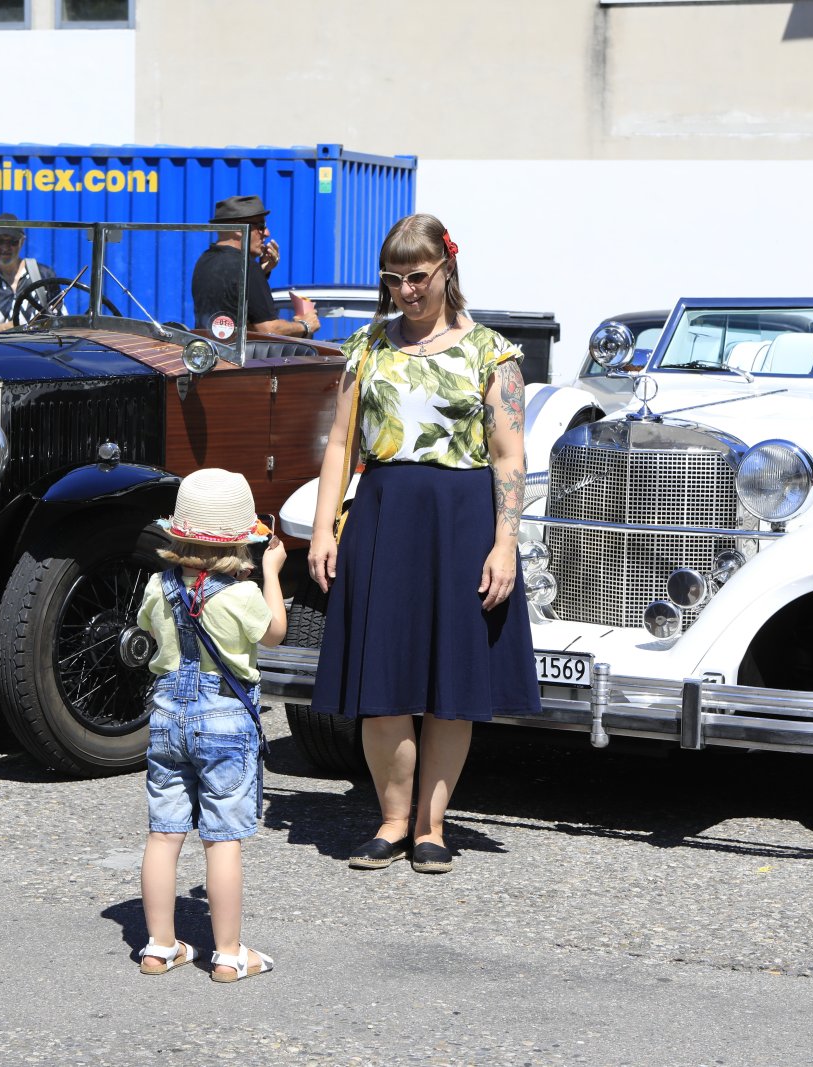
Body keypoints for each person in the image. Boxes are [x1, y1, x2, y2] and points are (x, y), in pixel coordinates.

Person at [306, 213, 541, 875]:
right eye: (393, 279)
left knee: (449, 683)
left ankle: (431, 827)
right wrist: (323, 528)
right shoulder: (368, 345)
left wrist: (505, 543)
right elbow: (339, 443)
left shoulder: (492, 352)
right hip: (383, 516)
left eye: (418, 276)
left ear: (446, 269)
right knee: (380, 680)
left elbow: (509, 456)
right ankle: (390, 821)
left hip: (462, 522)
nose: (406, 291)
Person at [135, 468, 287, 982]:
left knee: (164, 834)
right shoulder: (242, 595)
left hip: (167, 717)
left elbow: (146, 626)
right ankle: (228, 953)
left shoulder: (158, 586)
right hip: (224, 716)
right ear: (243, 540)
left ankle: (159, 946)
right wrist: (273, 575)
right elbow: (275, 634)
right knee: (221, 839)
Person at [191, 195, 318, 339]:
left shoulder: (205, 260)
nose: (267, 233)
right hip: (236, 352)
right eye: (260, 226)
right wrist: (305, 325)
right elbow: (268, 330)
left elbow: (230, 298)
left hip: (208, 349)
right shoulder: (247, 266)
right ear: (239, 229)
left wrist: (263, 271)